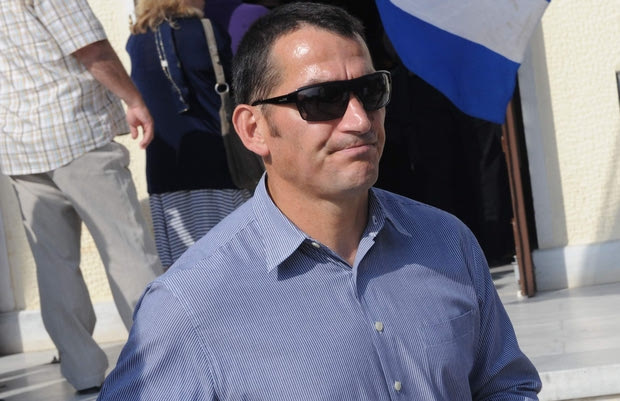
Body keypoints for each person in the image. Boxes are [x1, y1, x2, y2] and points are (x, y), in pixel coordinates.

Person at [97, 3, 541, 400]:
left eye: (371, 91)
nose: (359, 120)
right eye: (322, 99)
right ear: (253, 129)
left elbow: (505, 386)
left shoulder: (446, 241)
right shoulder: (188, 305)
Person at [0, 0, 164, 393]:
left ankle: (83, 371)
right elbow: (90, 48)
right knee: (127, 250)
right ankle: (162, 357)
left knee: (54, 265)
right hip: (75, 130)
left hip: (19, 143)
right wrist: (134, 99)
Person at [127, 0, 251, 270]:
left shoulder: (135, 41)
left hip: (165, 170)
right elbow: (237, 87)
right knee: (236, 260)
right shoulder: (206, 30)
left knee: (185, 269)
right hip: (217, 163)